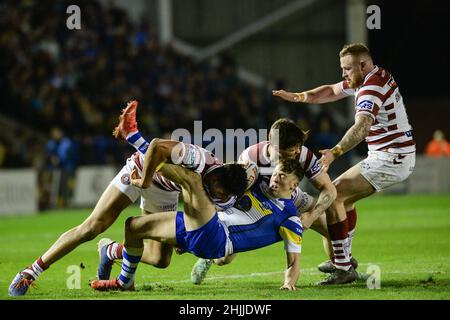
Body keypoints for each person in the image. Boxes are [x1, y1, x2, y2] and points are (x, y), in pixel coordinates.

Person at [8, 102, 249, 297]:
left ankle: (110, 250)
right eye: (218, 190)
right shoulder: (199, 159)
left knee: (160, 259)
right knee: (93, 226)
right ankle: (30, 272)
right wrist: (143, 179)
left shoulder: (227, 195)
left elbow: (204, 218)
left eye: (222, 196)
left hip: (165, 190)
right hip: (141, 169)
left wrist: (186, 240)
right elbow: (157, 147)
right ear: (218, 175)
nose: (217, 195)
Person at [273, 43, 416, 284]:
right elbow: (330, 91)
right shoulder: (369, 78)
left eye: (347, 68)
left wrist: (335, 152)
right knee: (343, 200)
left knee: (334, 193)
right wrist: (297, 97)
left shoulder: (371, 86)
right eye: (342, 68)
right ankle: (344, 259)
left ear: (363, 64)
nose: (343, 74)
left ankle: (343, 266)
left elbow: (362, 127)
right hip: (389, 155)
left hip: (392, 157)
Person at [90, 156, 305, 291]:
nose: (276, 178)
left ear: (294, 185)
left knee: (192, 180)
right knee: (133, 227)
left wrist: (289, 283)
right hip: (207, 224)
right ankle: (116, 263)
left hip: (217, 239)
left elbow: (293, 260)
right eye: (276, 172)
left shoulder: (290, 218)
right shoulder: (258, 186)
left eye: (283, 176)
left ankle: (146, 148)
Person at [190, 118, 346, 285]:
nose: (297, 152)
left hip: (290, 196)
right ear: (275, 147)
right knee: (225, 259)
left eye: (299, 147)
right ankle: (210, 257)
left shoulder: (303, 154)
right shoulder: (251, 158)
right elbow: (233, 193)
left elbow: (329, 189)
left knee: (332, 227)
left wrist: (312, 215)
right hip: (258, 202)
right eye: (291, 150)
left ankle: (341, 268)